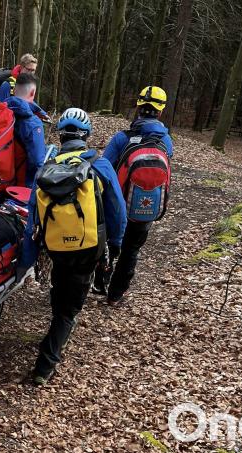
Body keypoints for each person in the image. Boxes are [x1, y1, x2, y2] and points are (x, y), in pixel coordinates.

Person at [16, 108, 127, 386]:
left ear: (61, 136)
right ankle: (45, 365)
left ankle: (57, 324)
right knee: (69, 309)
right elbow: (117, 211)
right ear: (86, 136)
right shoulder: (100, 166)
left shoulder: (46, 170)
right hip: (88, 248)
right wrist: (115, 244)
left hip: (56, 248)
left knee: (61, 288)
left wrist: (25, 262)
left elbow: (33, 221)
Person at [93, 86, 174, 305]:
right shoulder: (166, 141)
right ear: (161, 111)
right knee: (132, 250)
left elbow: (104, 168)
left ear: (138, 107)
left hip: (116, 203)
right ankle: (116, 294)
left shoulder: (122, 138)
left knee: (109, 243)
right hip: (145, 204)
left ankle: (100, 282)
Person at [5, 72, 48, 188]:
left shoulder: (2, 112)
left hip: (2, 181)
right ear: (33, 92)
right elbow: (37, 162)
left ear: (14, 90)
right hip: (24, 187)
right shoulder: (33, 123)